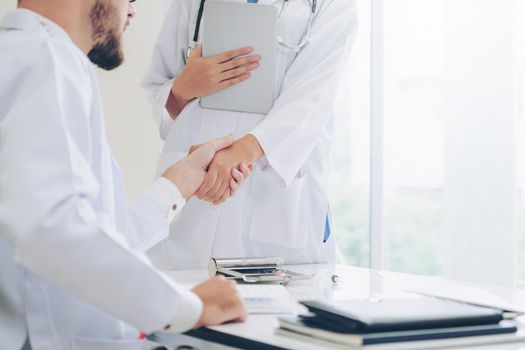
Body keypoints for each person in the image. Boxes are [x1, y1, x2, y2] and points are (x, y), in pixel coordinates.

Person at [0, 1, 251, 349]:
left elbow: (91, 233)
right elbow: (52, 227)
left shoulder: (18, 56)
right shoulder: (48, 58)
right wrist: (188, 307)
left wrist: (176, 185)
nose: (133, 11)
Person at [142, 0, 358, 269]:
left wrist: (240, 153)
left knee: (276, 303)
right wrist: (183, 88)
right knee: (184, 300)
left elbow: (313, 97)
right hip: (197, 186)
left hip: (269, 186)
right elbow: (157, 89)